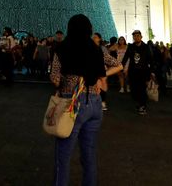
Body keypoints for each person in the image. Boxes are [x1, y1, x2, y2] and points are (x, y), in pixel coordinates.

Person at [51, 15, 120, 186]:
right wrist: (100, 77)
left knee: (63, 156)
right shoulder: (96, 49)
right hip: (94, 104)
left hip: (72, 105)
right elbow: (118, 65)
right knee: (89, 154)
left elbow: (55, 78)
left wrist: (65, 80)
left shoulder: (62, 48)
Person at [122, 30, 154, 115]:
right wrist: (121, 67)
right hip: (133, 72)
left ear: (141, 37)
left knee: (142, 89)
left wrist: (152, 71)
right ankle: (139, 103)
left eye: (137, 36)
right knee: (134, 90)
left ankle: (142, 106)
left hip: (143, 72)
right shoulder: (131, 47)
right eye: (134, 36)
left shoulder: (146, 47)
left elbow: (151, 59)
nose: (136, 37)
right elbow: (126, 57)